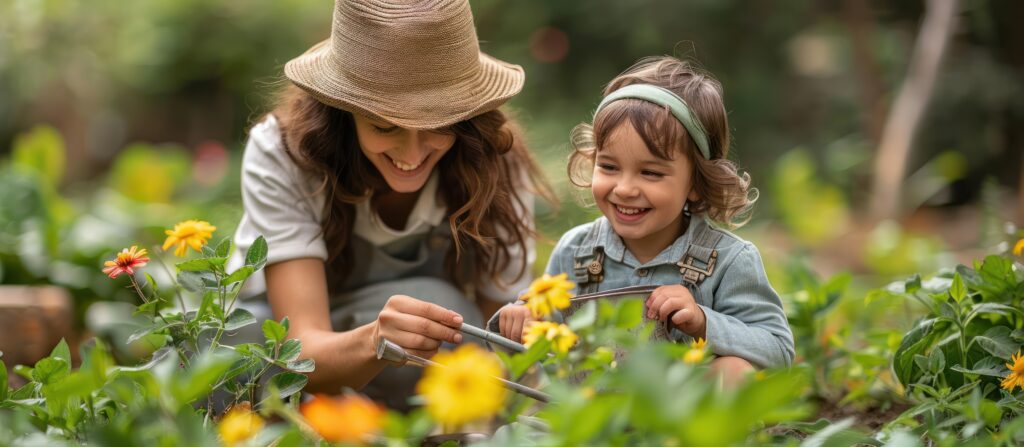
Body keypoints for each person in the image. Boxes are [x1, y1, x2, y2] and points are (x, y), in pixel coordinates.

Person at [230, 0, 550, 410]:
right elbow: (297, 350)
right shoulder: (284, 152)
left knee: (451, 321)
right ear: (345, 109)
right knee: (232, 355)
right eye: (385, 125)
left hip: (408, 375)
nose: (412, 152)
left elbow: (496, 343)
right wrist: (375, 339)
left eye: (438, 124)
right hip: (283, 351)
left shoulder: (495, 159)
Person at [495, 56, 794, 385]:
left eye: (650, 172)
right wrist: (518, 321)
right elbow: (537, 335)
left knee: (735, 373)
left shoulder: (728, 261)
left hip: (680, 420)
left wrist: (703, 322)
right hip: (592, 415)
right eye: (608, 166)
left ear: (696, 183)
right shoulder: (577, 251)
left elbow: (778, 351)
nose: (624, 189)